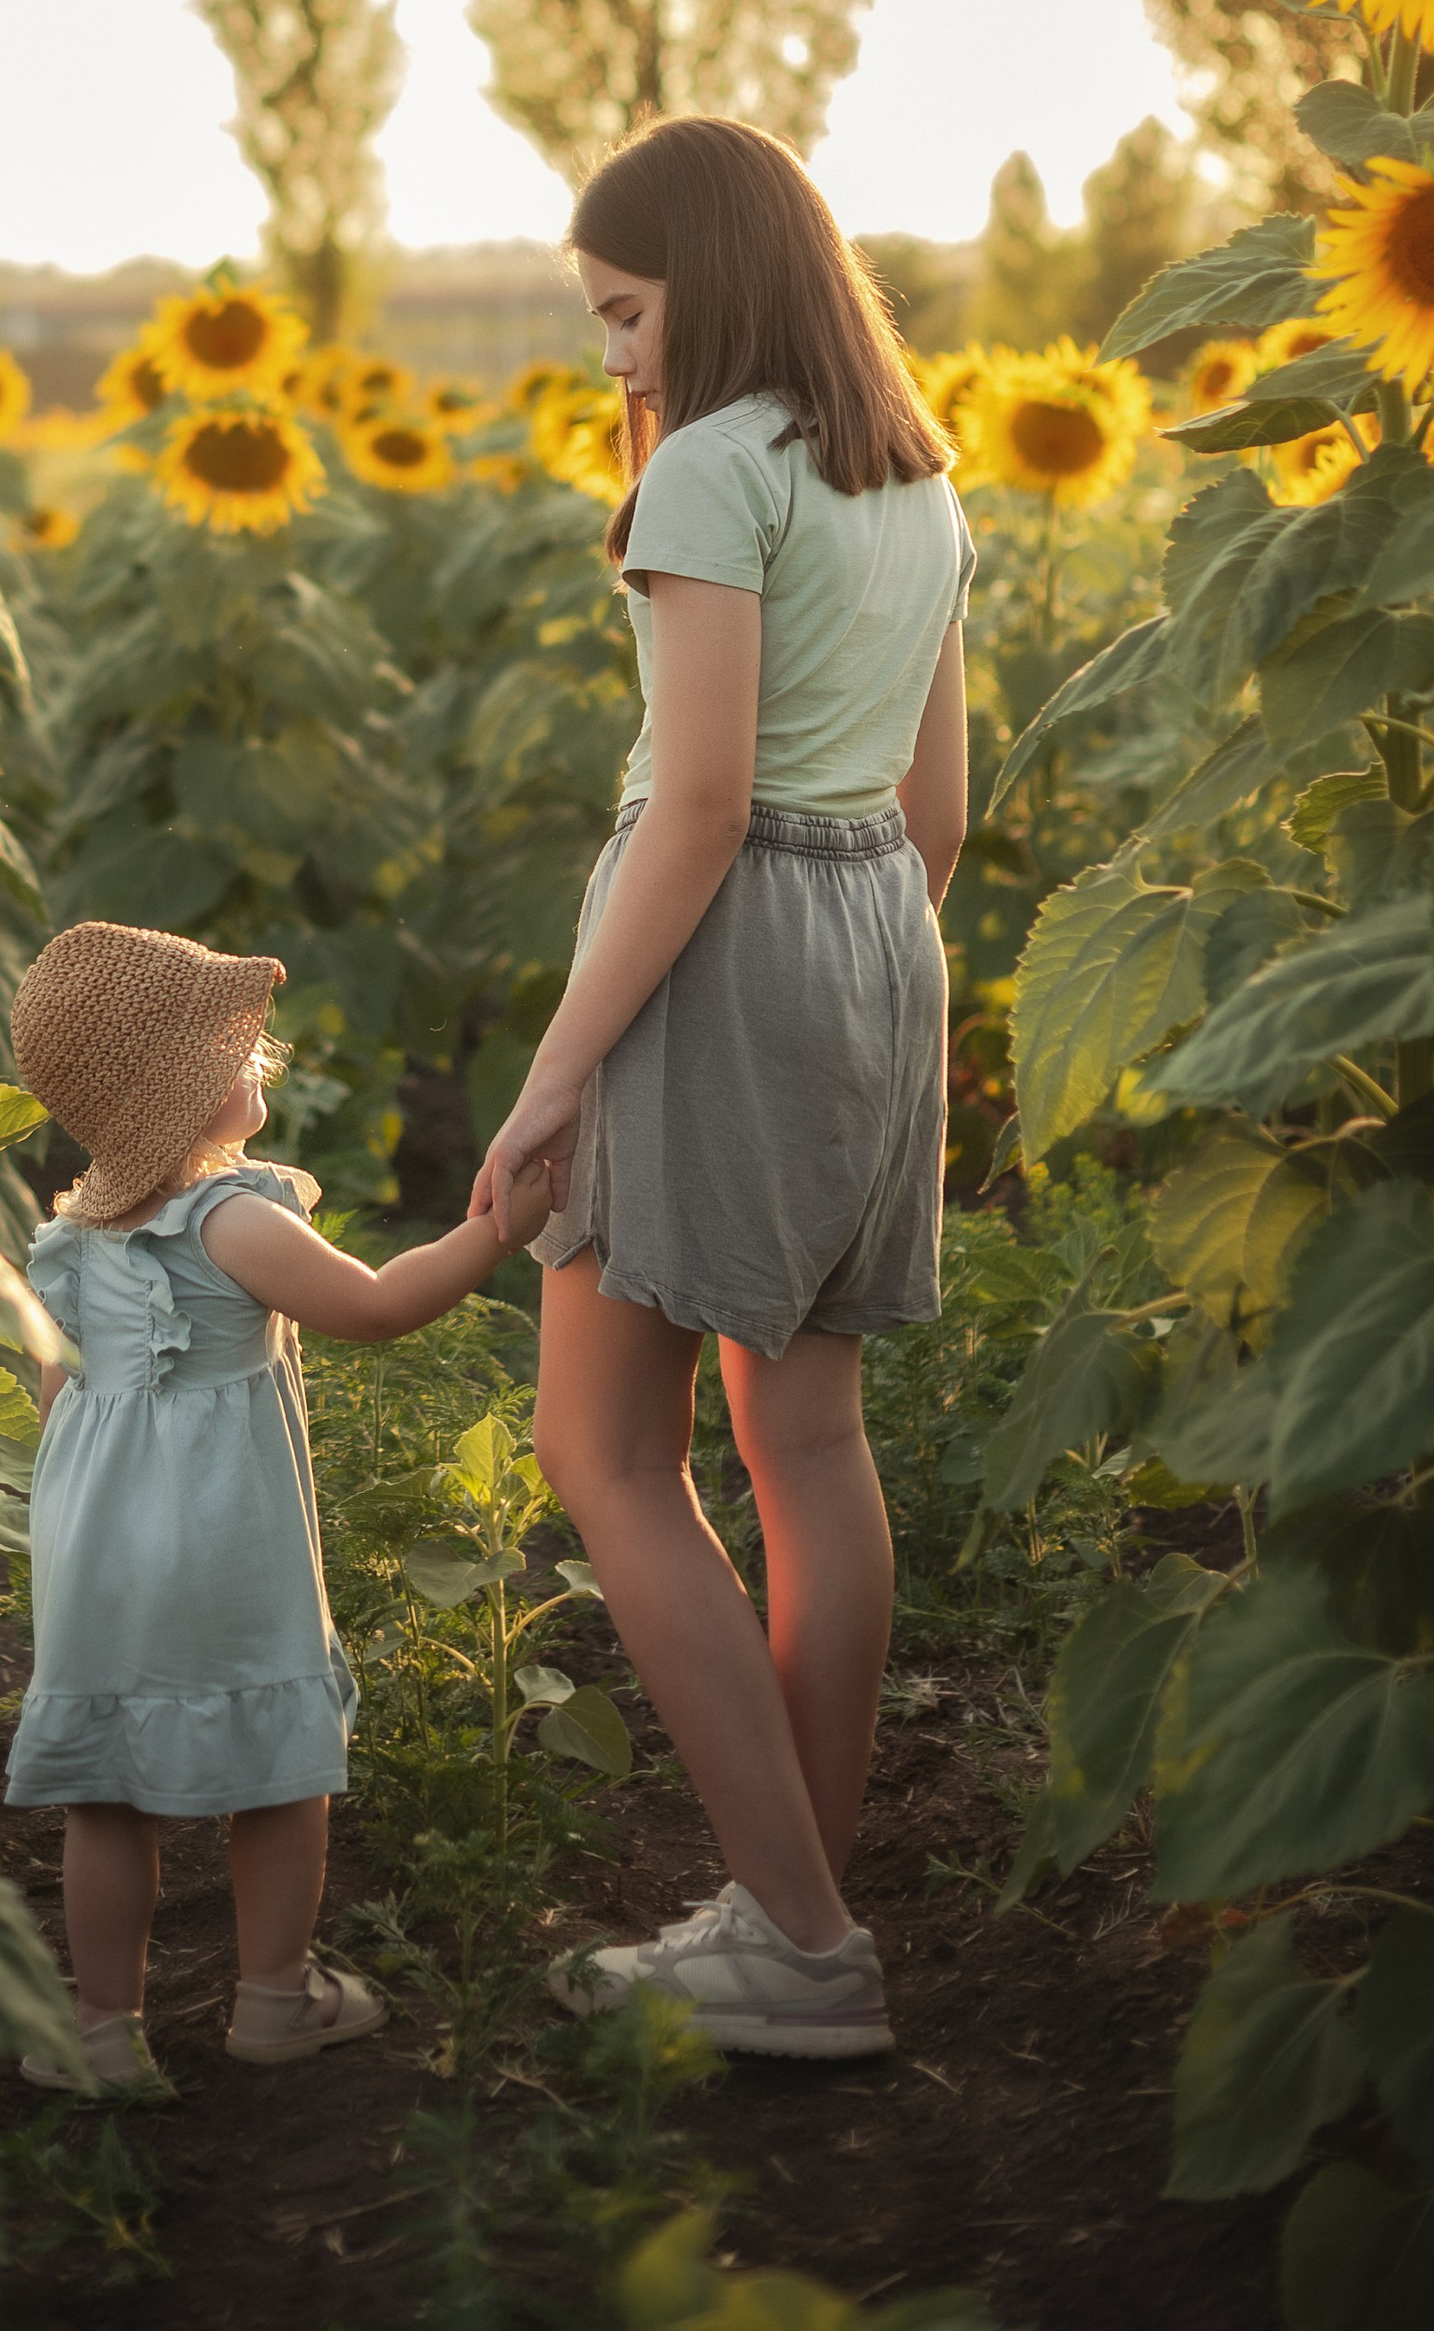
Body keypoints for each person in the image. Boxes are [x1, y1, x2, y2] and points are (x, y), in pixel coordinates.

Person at [470, 115, 972, 2064]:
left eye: (620, 311)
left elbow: (688, 814)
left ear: (706, 276)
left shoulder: (702, 474)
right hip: (876, 949)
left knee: (599, 1452)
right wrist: (846, 996)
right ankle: (795, 1912)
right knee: (809, 1453)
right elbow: (930, 818)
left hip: (723, 946)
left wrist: (552, 1074)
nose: (611, 357)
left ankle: (795, 1934)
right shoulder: (915, 483)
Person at [4, 916, 556, 2092]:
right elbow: (371, 1307)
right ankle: (273, 1998)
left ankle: (100, 2026)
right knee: (274, 1765)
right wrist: (492, 1231)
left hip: (94, 1537)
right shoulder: (230, 1218)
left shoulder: (66, 1238)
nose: (257, 1052)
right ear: (171, 1081)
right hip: (216, 1533)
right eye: (230, 1042)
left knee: (104, 1794)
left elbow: (58, 1401)